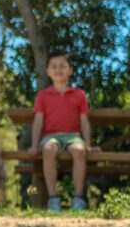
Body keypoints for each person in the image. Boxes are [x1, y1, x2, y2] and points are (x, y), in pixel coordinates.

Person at [31, 51, 93, 211]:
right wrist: (33, 144)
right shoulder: (43, 96)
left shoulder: (79, 95)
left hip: (73, 137)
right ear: (47, 71)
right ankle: (53, 199)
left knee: (79, 151)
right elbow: (38, 121)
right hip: (50, 137)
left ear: (70, 70)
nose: (58, 69)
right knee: (48, 150)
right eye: (54, 66)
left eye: (62, 66)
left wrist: (88, 143)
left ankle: (78, 199)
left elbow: (84, 122)